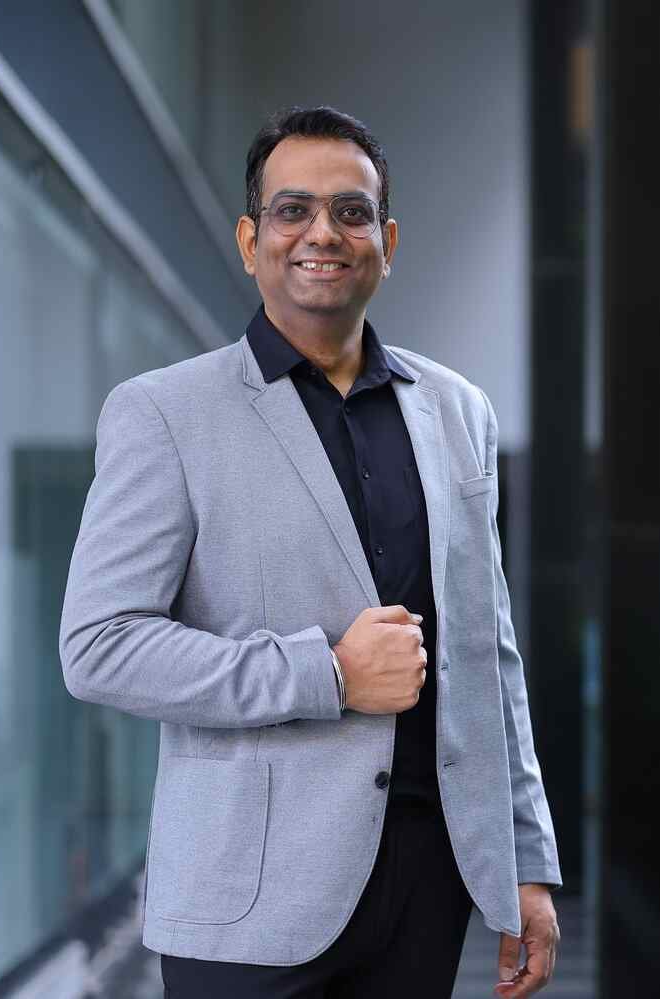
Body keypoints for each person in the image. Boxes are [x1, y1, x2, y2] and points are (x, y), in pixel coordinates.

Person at [58, 105, 561, 999]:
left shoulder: (459, 412)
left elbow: (490, 655)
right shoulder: (165, 413)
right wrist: (326, 672)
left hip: (426, 887)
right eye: (293, 210)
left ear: (386, 242)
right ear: (251, 241)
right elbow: (100, 645)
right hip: (246, 898)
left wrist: (525, 860)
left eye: (351, 211)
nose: (323, 233)